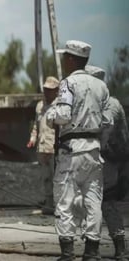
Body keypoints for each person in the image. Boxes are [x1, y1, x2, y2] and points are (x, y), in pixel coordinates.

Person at [47, 40, 113, 260]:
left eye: (66, 57)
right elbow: (107, 121)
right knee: (93, 202)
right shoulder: (101, 86)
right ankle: (91, 252)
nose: (64, 60)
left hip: (71, 151)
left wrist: (50, 115)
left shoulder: (68, 83)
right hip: (94, 152)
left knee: (65, 201)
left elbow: (63, 116)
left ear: (72, 59)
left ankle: (67, 253)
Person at [86, 65, 129, 260]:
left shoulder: (110, 104)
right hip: (104, 159)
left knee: (106, 203)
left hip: (112, 161)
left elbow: (106, 129)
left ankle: (119, 247)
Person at [27, 76, 59, 215]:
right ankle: (49, 204)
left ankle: (59, 206)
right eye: (45, 89)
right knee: (45, 177)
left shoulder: (60, 106)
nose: (46, 92)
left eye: (50, 90)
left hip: (54, 147)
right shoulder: (40, 106)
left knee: (57, 178)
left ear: (56, 91)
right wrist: (32, 139)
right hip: (42, 146)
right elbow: (36, 125)